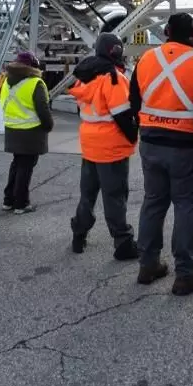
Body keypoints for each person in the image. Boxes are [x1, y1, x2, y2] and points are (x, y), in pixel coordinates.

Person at [129, 13, 193, 295]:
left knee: (153, 203)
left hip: (151, 143)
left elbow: (133, 101)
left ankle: (148, 264)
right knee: (186, 207)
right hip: (187, 147)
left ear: (165, 32)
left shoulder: (146, 59)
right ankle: (186, 274)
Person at [68, 34, 139, 261]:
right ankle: (123, 242)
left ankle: (79, 234)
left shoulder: (85, 76)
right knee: (115, 195)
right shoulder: (113, 78)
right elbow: (122, 114)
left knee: (87, 194)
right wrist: (132, 137)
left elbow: (83, 110)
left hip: (90, 143)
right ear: (115, 50)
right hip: (111, 145)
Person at [0, 51, 54, 214]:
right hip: (30, 131)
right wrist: (48, 125)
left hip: (12, 128)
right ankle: (21, 203)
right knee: (26, 167)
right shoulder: (35, 83)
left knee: (17, 164)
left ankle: (8, 200)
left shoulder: (7, 81)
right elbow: (42, 108)